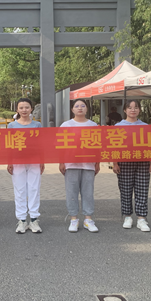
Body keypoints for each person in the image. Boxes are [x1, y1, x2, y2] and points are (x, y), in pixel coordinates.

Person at [112, 100, 151, 232]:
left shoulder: (145, 126)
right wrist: (115, 163)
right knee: (125, 190)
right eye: (130, 108)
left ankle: (142, 218)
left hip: (143, 162)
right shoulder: (118, 126)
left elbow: (150, 146)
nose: (133, 110)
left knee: (142, 189)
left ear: (139, 110)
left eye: (136, 107)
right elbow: (113, 146)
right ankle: (127, 216)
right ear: (125, 110)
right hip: (124, 162)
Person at [58, 99, 100, 233]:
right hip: (71, 164)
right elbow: (60, 145)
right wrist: (61, 162)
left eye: (83, 105)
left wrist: (98, 162)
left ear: (87, 109)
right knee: (71, 192)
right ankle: (73, 219)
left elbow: (98, 146)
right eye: (76, 106)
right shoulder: (66, 125)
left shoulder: (93, 125)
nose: (80, 108)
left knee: (88, 193)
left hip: (88, 164)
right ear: (72, 109)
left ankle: (88, 219)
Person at [7, 98, 44, 233]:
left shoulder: (37, 125)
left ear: (31, 109)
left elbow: (41, 144)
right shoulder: (12, 126)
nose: (24, 110)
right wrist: (9, 161)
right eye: (21, 108)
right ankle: (22, 220)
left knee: (34, 189)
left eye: (27, 107)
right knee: (20, 190)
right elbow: (9, 145)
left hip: (34, 161)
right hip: (18, 161)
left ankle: (34, 219)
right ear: (17, 109)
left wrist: (42, 161)